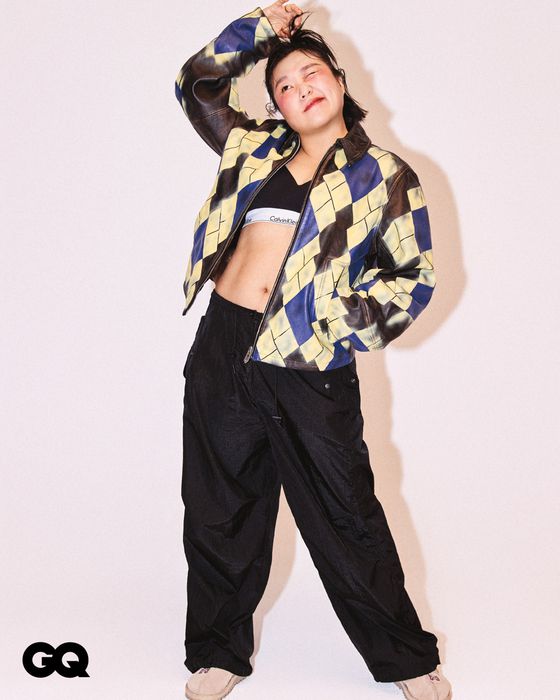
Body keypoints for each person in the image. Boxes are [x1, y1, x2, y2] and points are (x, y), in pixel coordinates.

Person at [174, 3, 452, 699]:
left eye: (312, 74)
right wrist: (259, 29)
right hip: (223, 345)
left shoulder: (384, 175)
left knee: (346, 513)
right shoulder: (252, 149)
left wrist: (330, 323)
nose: (302, 88)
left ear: (339, 80)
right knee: (218, 508)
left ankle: (405, 658)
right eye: (286, 86)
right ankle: (218, 652)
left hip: (309, 365)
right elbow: (197, 84)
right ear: (278, 106)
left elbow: (412, 280)